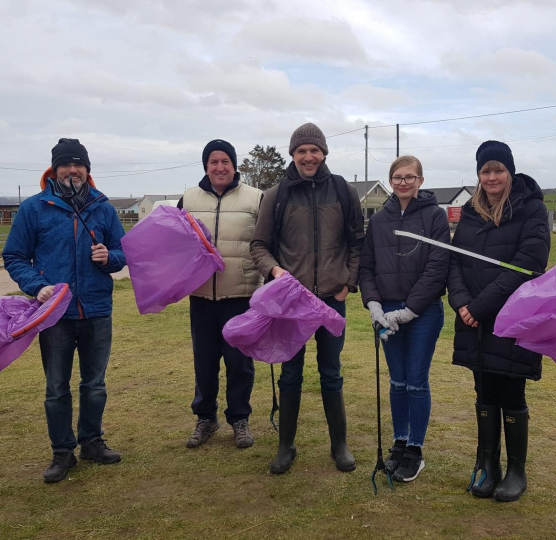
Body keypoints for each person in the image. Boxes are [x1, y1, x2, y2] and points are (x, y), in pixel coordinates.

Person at [3, 138, 126, 483]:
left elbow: (122, 251)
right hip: (55, 315)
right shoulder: (34, 209)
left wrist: (110, 258)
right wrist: (36, 286)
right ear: (54, 170)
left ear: (88, 170)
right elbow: (14, 256)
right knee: (56, 387)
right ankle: (62, 452)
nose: (73, 170)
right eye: (66, 165)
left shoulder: (103, 208)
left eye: (80, 165)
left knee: (95, 384)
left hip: (97, 310)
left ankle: (92, 441)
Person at [251, 123, 365, 474]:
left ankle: (339, 445)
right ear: (293, 154)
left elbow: (358, 243)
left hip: (332, 300)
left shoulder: (343, 191)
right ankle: (286, 446)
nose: (308, 156)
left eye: (314, 150)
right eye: (301, 151)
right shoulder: (276, 195)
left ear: (324, 153)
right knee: (290, 374)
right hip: (292, 304)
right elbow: (259, 246)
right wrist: (273, 271)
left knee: (332, 373)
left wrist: (348, 284)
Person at [447, 140, 550, 501]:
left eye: (498, 169)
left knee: (511, 389)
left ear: (510, 172)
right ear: (478, 174)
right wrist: (460, 302)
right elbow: (455, 261)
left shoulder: (532, 210)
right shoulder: (469, 212)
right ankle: (486, 465)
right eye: (485, 170)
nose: (491, 176)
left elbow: (528, 265)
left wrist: (480, 306)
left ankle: (516, 471)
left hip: (511, 318)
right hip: (473, 319)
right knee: (484, 390)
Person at [359, 155, 450, 483]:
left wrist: (410, 309)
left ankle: (415, 449)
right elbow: (366, 265)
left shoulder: (435, 216)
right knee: (396, 381)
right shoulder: (380, 220)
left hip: (422, 313)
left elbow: (438, 266)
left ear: (420, 181)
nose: (403, 182)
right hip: (386, 311)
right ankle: (399, 442)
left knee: (415, 380)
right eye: (397, 177)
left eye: (410, 177)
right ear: (391, 180)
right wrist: (373, 303)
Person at [177, 139, 263, 450]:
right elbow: (175, 244)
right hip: (201, 296)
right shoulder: (187, 199)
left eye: (225, 161)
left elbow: (265, 243)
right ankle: (205, 417)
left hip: (241, 295)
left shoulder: (255, 199)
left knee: (239, 362)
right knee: (204, 359)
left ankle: (239, 418)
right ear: (205, 166)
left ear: (235, 165)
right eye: (213, 161)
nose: (220, 167)